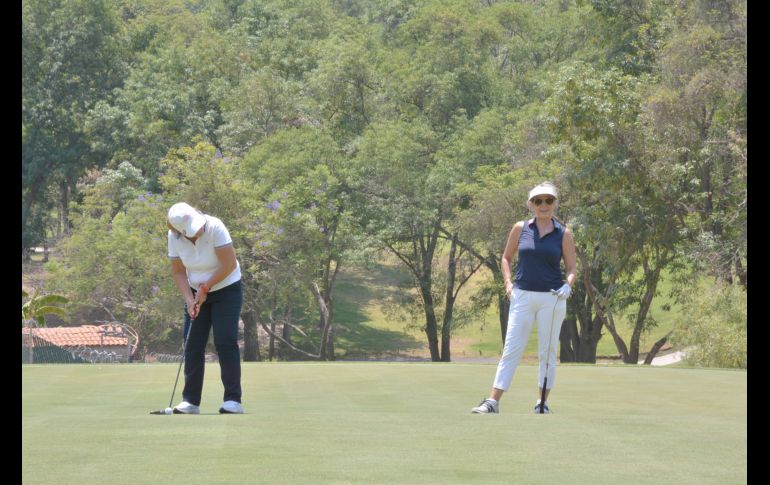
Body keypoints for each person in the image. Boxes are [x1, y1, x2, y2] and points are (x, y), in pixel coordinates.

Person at [471, 182, 576, 414]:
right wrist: (508, 283)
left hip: (553, 298)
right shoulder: (521, 228)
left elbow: (571, 268)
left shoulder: (564, 233)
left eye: (548, 200)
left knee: (547, 352)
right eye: (538, 201)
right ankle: (493, 401)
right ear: (531, 205)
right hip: (523, 295)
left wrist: (568, 285)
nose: (544, 205)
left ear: (555, 203)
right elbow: (506, 258)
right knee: (512, 348)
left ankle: (542, 402)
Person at [166, 202, 244, 414]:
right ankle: (190, 401)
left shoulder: (215, 226)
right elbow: (179, 272)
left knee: (225, 341)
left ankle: (232, 400)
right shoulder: (174, 238)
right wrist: (190, 299)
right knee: (192, 343)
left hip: (227, 288)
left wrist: (206, 287)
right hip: (195, 291)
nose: (198, 230)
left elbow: (228, 264)